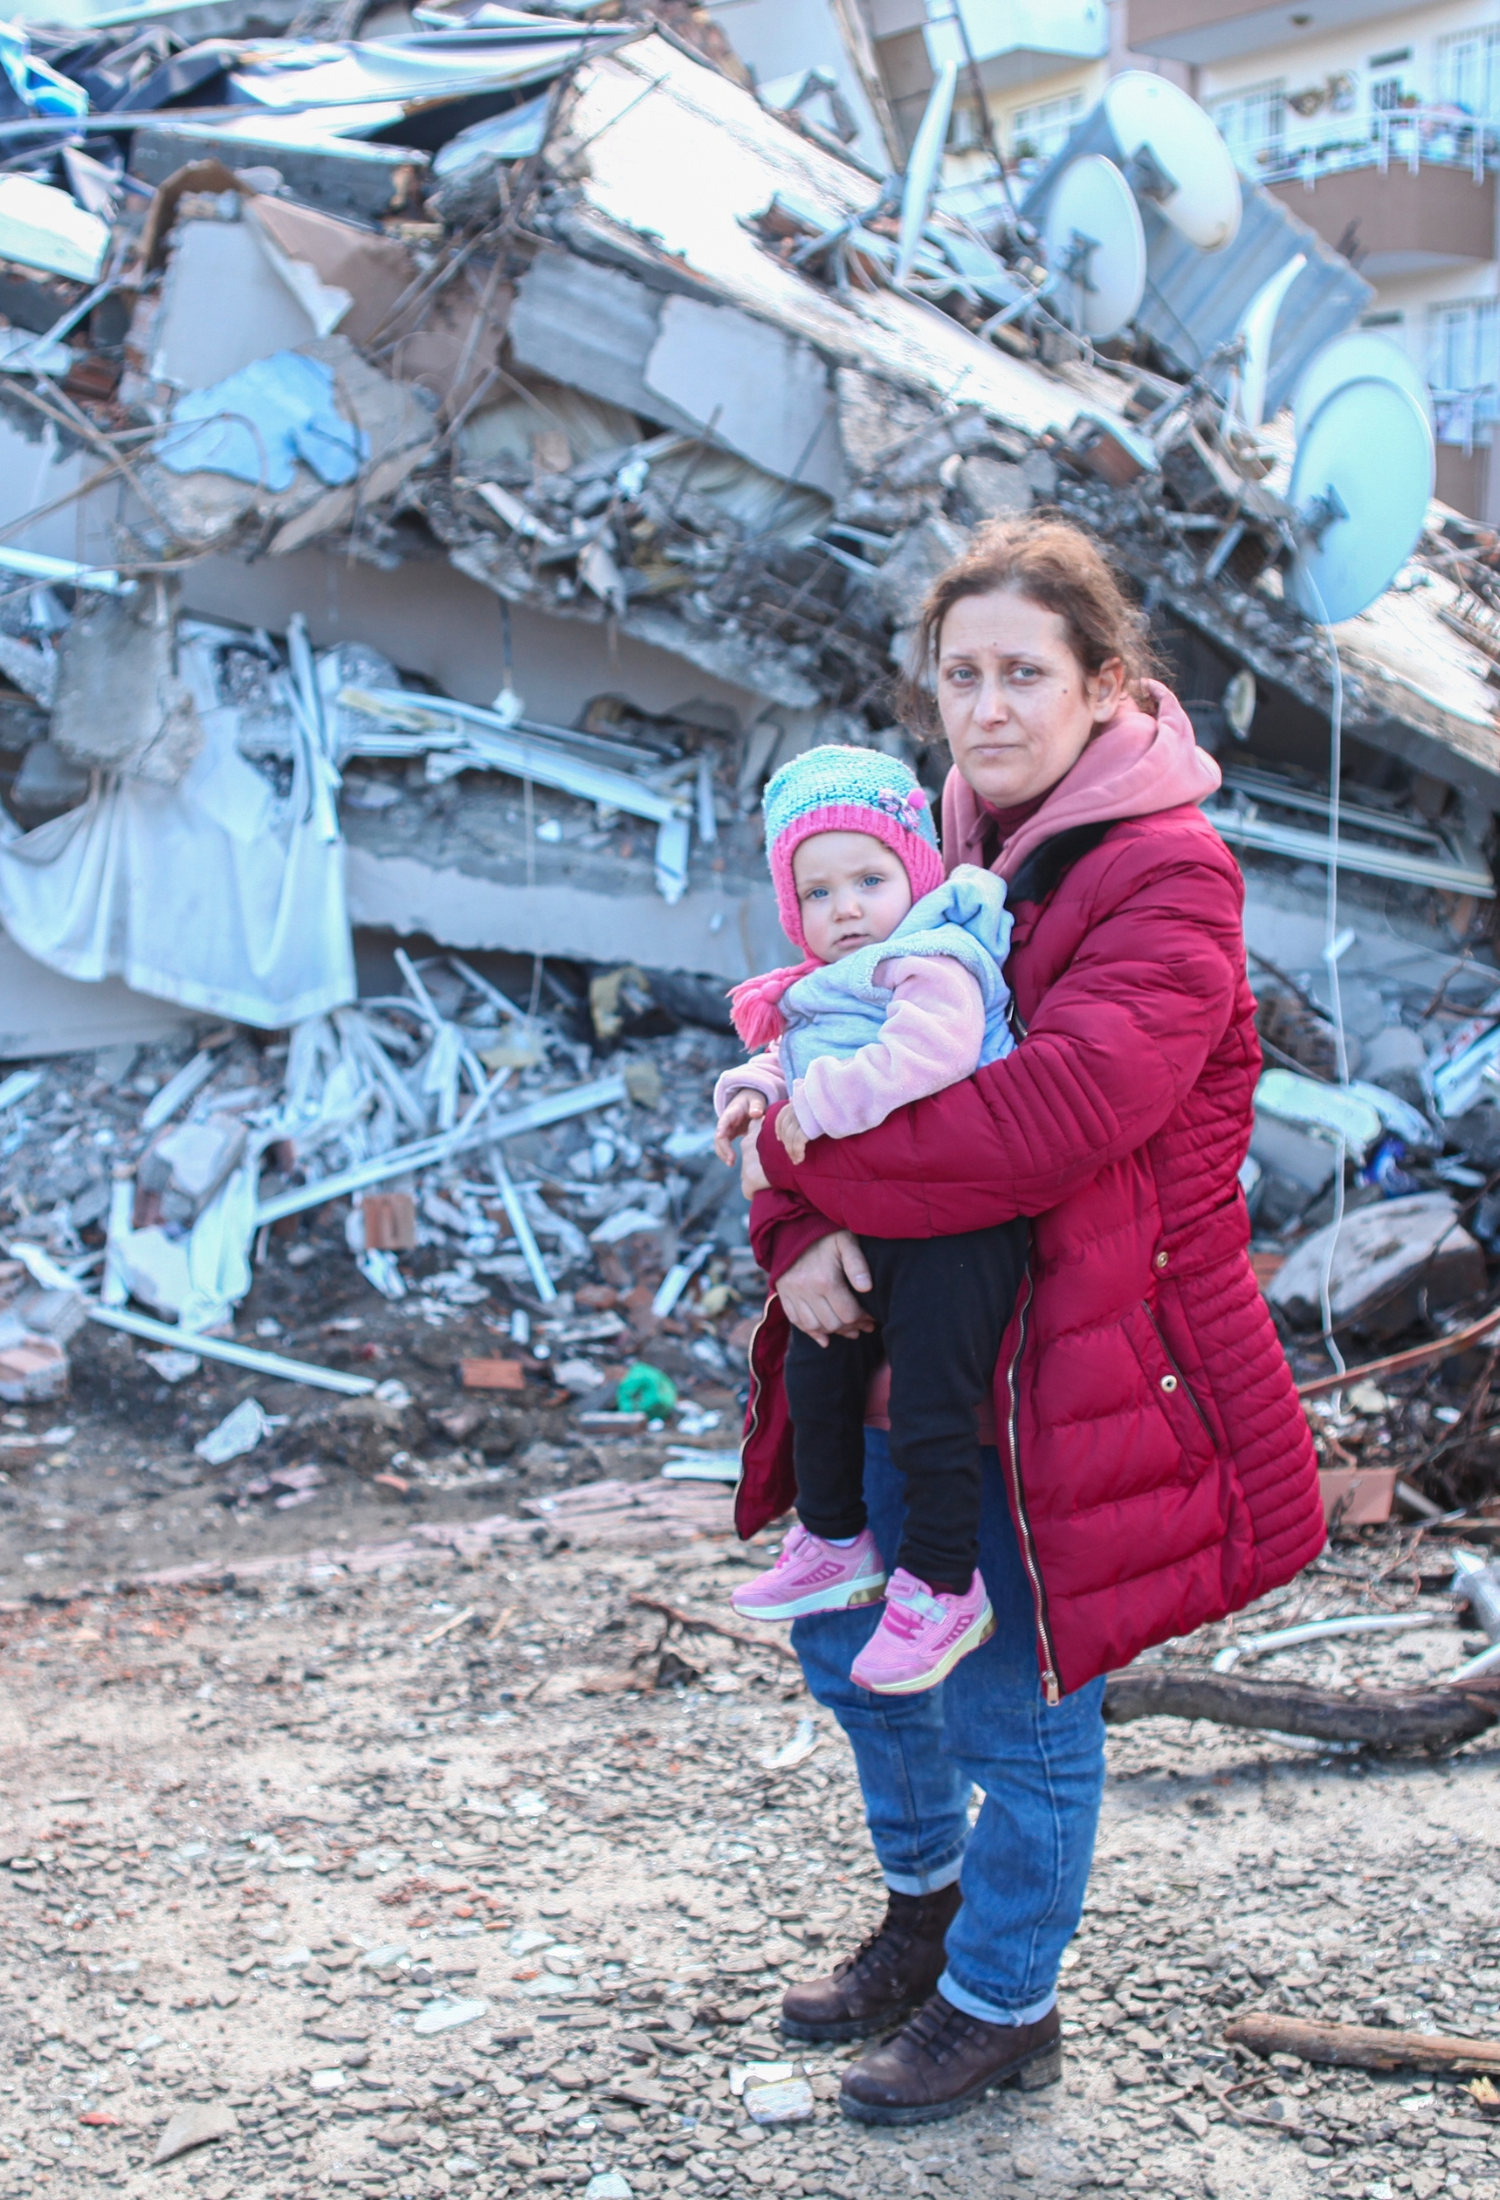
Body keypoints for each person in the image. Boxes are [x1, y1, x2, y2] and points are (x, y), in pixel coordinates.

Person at [724, 516, 1326, 2128]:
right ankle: (926, 1923)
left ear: (1106, 684)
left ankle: (1005, 2002)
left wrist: (799, 1162)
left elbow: (1048, 1120)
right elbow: (814, 1047)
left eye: (1025, 674)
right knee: (855, 1653)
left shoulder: (1171, 876)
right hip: (927, 1335)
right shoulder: (930, 849)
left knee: (1016, 1699)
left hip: (1086, 1355)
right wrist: (795, 1230)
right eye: (961, 674)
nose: (988, 706)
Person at [711, 744, 1024, 1694]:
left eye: (869, 879)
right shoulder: (820, 990)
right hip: (882, 1221)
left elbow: (929, 1055)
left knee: (933, 1402)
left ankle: (941, 1581)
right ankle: (835, 1535)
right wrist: (751, 1090)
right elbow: (791, 1056)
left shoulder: (936, 956)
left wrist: (819, 1108)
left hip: (961, 1234)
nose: (845, 908)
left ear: (916, 874)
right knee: (819, 1363)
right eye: (818, 893)